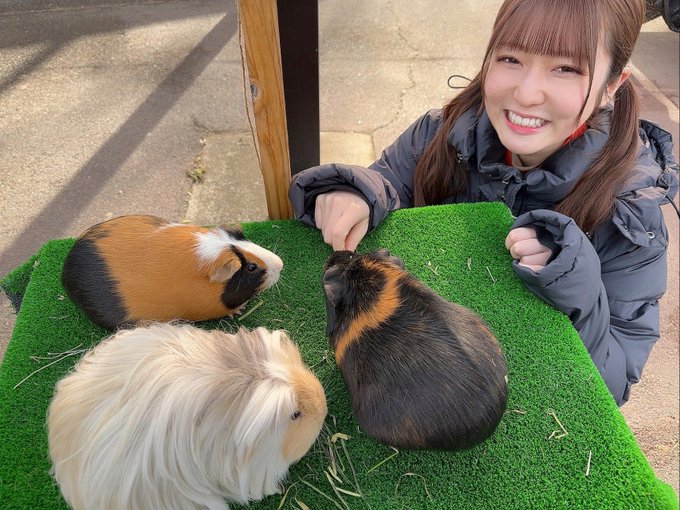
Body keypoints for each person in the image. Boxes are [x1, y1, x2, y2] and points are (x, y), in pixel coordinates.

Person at [288, 0, 679, 406]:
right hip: (413, 373)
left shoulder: (630, 215)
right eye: (511, 58)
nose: (526, 94)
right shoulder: (441, 132)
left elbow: (612, 387)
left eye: (566, 69)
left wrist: (581, 290)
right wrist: (355, 192)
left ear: (612, 85)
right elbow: (388, 179)